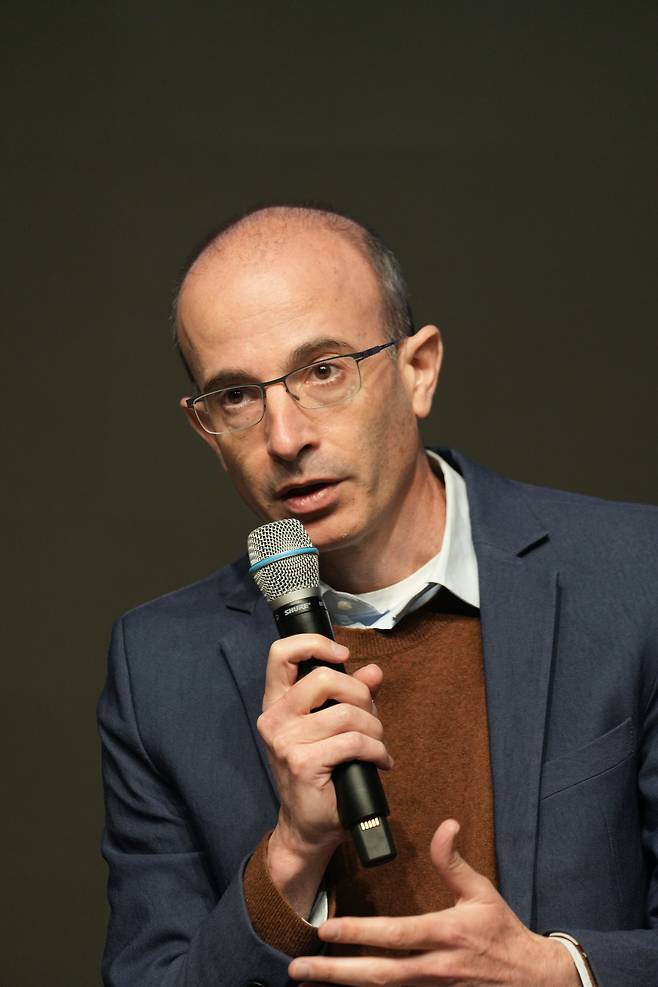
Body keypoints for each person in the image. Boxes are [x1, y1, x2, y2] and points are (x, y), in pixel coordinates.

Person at [98, 205, 658, 987]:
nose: (285, 437)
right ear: (205, 427)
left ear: (418, 369)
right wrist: (291, 854)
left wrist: (563, 973)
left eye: (323, 370)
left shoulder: (634, 577)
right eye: (237, 396)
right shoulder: (159, 668)